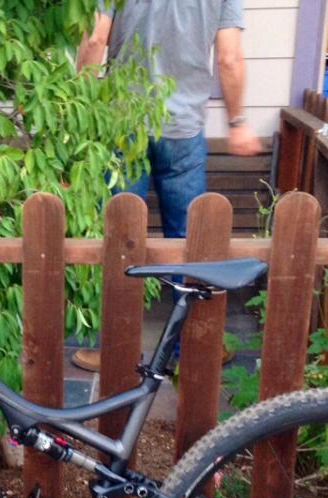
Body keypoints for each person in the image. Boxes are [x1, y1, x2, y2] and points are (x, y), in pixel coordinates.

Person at [73, 1, 260, 372]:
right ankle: (187, 350)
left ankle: (115, 351)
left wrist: (83, 110)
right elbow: (229, 58)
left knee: (120, 236)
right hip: (184, 129)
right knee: (188, 241)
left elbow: (96, 41)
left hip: (123, 124)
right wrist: (237, 121)